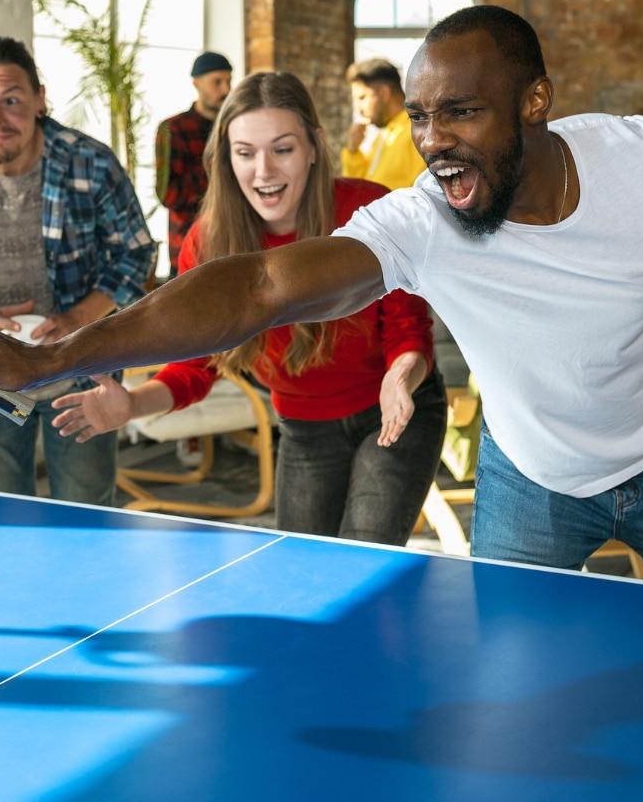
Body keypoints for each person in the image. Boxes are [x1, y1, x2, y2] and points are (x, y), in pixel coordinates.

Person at [0, 6, 643, 802]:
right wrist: (63, 355)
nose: (435, 140)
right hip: (532, 480)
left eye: (462, 112)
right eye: (422, 117)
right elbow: (265, 286)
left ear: (533, 102)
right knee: (511, 682)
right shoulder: (423, 219)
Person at [52, 72, 448, 545]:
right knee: (304, 577)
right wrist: (132, 404)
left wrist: (401, 374)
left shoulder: (368, 210)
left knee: (365, 559)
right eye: (245, 153)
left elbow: (409, 329)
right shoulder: (207, 245)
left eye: (282, 149)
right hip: (303, 430)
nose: (263, 171)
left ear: (315, 147)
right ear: (226, 159)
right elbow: (196, 365)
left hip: (397, 413)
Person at [0, 36, 155, 507]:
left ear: (40, 99)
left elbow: (135, 253)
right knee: (2, 518)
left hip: (84, 369)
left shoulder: (92, 164)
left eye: (11, 101)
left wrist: (82, 316)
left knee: (86, 516)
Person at [154, 51, 233, 274]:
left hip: (235, 248)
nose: (226, 89)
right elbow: (168, 195)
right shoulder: (173, 129)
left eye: (228, 81)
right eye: (217, 82)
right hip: (189, 251)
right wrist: (213, 166)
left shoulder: (236, 126)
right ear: (197, 84)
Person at [342, 58, 426, 191]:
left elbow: (421, 193)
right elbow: (358, 188)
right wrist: (353, 151)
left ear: (384, 93)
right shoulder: (383, 136)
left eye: (362, 97)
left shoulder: (416, 132)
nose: (359, 109)